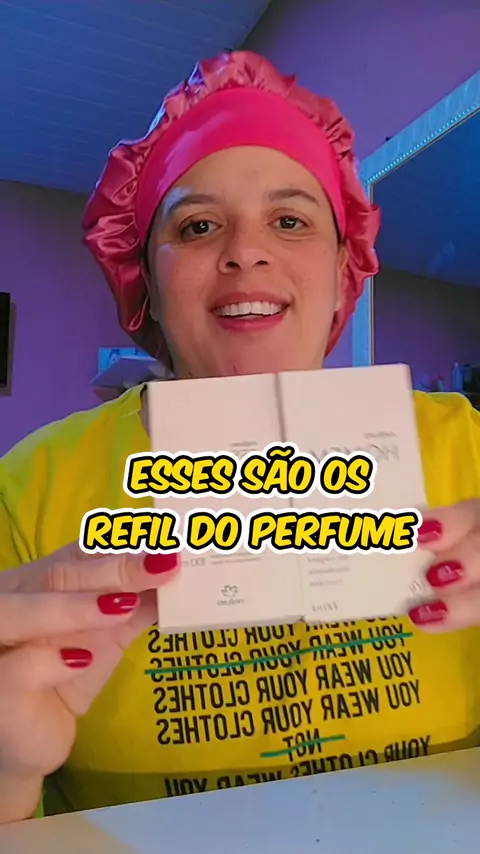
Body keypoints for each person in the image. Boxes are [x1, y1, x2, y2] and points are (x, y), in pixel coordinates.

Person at [1, 50, 479, 825]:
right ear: (146, 280)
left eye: (290, 221)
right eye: (198, 226)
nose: (246, 250)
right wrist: (7, 777)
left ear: (343, 266)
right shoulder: (30, 487)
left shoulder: (467, 445)